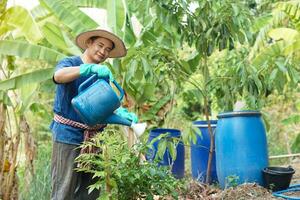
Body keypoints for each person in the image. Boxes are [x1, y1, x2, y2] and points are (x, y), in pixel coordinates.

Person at [50, 29, 137, 200]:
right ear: (89, 43)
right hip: (68, 136)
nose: (103, 51)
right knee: (63, 191)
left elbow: (99, 108)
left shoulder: (102, 76)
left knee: (89, 193)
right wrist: (87, 69)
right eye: (100, 45)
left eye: (107, 49)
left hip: (95, 140)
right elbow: (58, 76)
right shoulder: (70, 63)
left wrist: (120, 115)